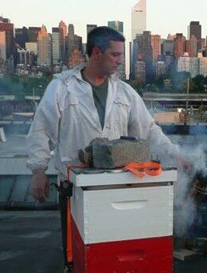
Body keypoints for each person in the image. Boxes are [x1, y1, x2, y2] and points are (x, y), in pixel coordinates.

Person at [27, 26, 187, 203]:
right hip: (74, 185)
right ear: (96, 53)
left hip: (117, 184)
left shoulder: (125, 92)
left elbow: (148, 129)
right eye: (115, 54)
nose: (120, 60)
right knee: (77, 230)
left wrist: (174, 155)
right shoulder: (62, 88)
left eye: (121, 55)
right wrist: (38, 171)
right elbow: (41, 131)